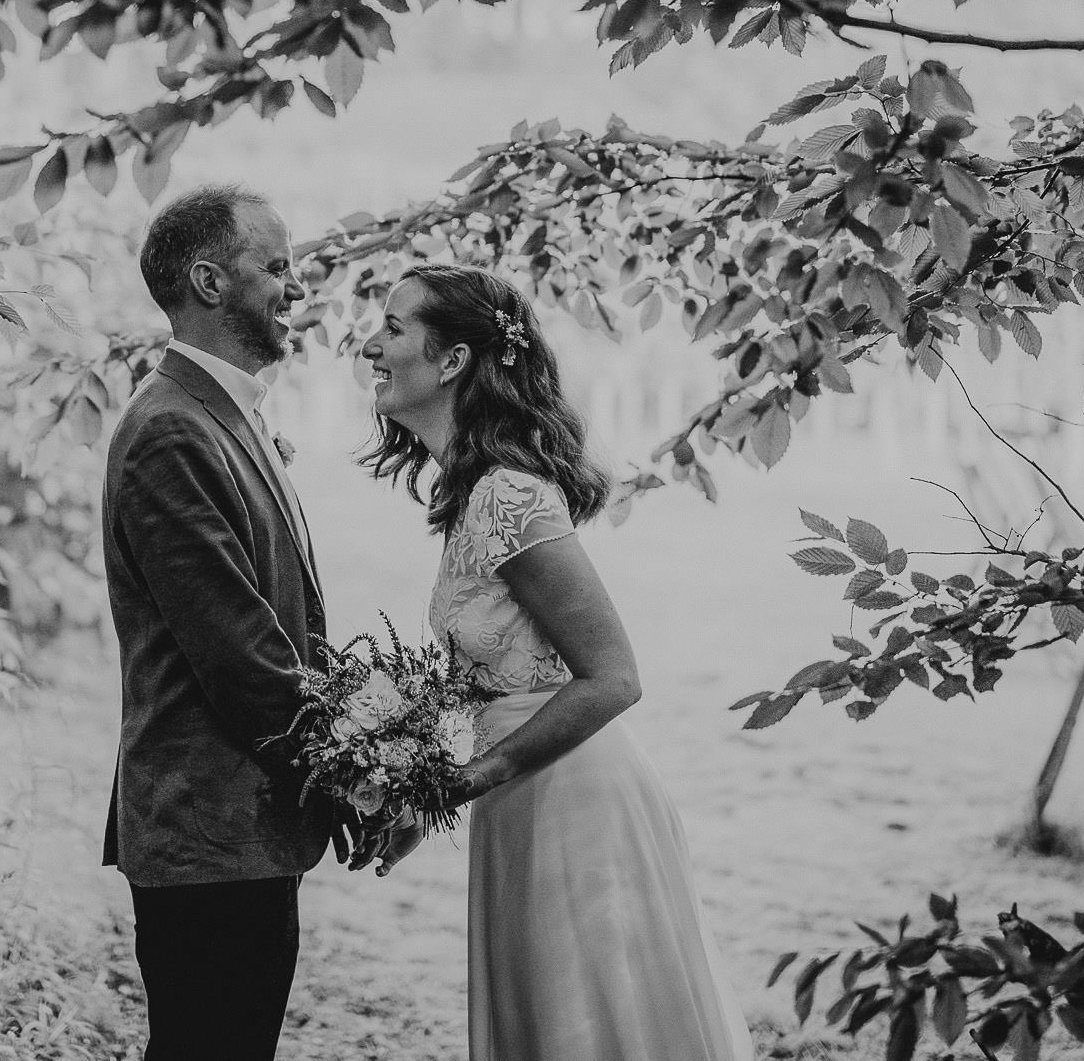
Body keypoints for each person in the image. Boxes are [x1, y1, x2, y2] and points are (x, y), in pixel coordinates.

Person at [357, 264, 754, 1061]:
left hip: (574, 797)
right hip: (523, 795)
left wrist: (477, 772)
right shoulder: (471, 494)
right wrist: (409, 781)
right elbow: (494, 674)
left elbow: (613, 675)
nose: (371, 343)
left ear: (453, 360)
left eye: (393, 327)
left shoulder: (509, 496)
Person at [102, 184, 341, 1061]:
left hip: (242, 827)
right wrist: (355, 775)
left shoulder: (217, 414)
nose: (295, 283)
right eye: (275, 265)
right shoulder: (171, 430)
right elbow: (242, 656)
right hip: (209, 831)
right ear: (209, 280)